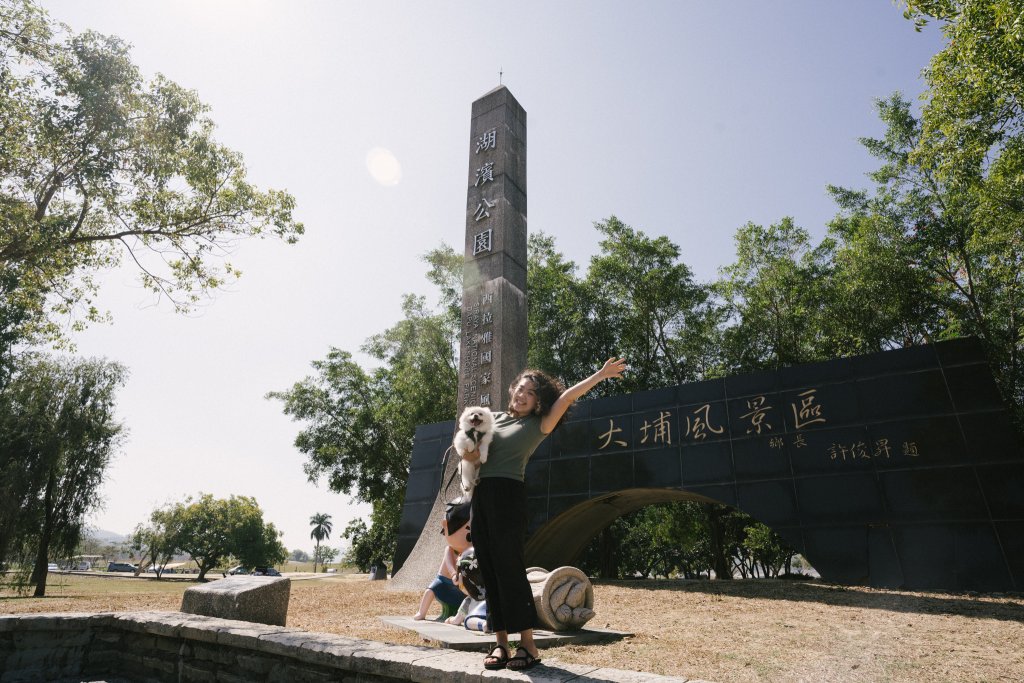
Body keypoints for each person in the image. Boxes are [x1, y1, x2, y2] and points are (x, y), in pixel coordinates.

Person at [462, 357, 627, 671]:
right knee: (490, 570)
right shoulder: (491, 418)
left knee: (510, 569)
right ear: (512, 391)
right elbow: (473, 456)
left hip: (509, 496)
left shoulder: (537, 425)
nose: (522, 395)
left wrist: (601, 374)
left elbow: (567, 398)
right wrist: (467, 445)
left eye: (531, 393)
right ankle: (500, 646)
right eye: (520, 389)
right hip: (482, 495)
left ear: (538, 401)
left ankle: (528, 646)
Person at [412, 501, 472, 620]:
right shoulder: (449, 549)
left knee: (470, 598)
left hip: (462, 582)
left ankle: (464, 616)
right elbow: (449, 564)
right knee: (430, 590)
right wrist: (454, 574)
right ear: (445, 526)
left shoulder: (470, 552)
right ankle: (422, 612)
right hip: (443, 580)